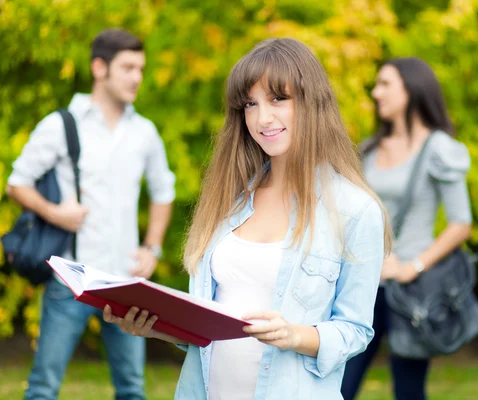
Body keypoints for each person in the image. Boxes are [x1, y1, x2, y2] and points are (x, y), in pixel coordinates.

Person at [102, 37, 391, 399]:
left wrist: (294, 334)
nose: (262, 118)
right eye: (250, 104)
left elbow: (355, 330)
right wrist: (157, 326)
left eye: (278, 99)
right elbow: (210, 328)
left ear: (312, 102)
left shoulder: (356, 210)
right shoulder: (232, 198)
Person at [6, 28, 176, 400]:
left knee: (132, 390)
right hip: (72, 278)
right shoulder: (62, 124)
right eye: (128, 67)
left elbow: (164, 192)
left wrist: (153, 248)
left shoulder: (144, 132)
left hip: (125, 283)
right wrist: (55, 212)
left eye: (142, 69)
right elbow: (17, 183)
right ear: (100, 68)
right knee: (42, 390)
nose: (137, 77)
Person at [341, 57, 473, 400]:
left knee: (409, 390)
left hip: (411, 291)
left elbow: (461, 224)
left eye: (385, 84)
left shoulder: (439, 149)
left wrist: (412, 266)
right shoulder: (369, 148)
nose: (375, 92)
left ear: (411, 88)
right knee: (339, 385)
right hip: (364, 285)